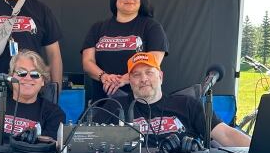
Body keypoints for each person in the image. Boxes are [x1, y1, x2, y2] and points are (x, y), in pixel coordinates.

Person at [103, 52, 250, 147]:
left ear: (160, 76)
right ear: (130, 80)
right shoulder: (114, 107)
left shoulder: (187, 104)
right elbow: (82, 137)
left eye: (149, 72)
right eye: (136, 75)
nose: (143, 79)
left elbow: (225, 134)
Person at [81, 0, 169, 103]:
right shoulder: (98, 28)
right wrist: (104, 77)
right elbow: (87, 62)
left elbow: (153, 62)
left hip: (139, 103)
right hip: (102, 102)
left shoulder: (151, 26)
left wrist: (123, 79)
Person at [0, 50, 65, 146]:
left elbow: (48, 150)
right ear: (11, 76)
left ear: (43, 80)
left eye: (35, 74)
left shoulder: (53, 113)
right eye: (21, 73)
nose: (27, 78)